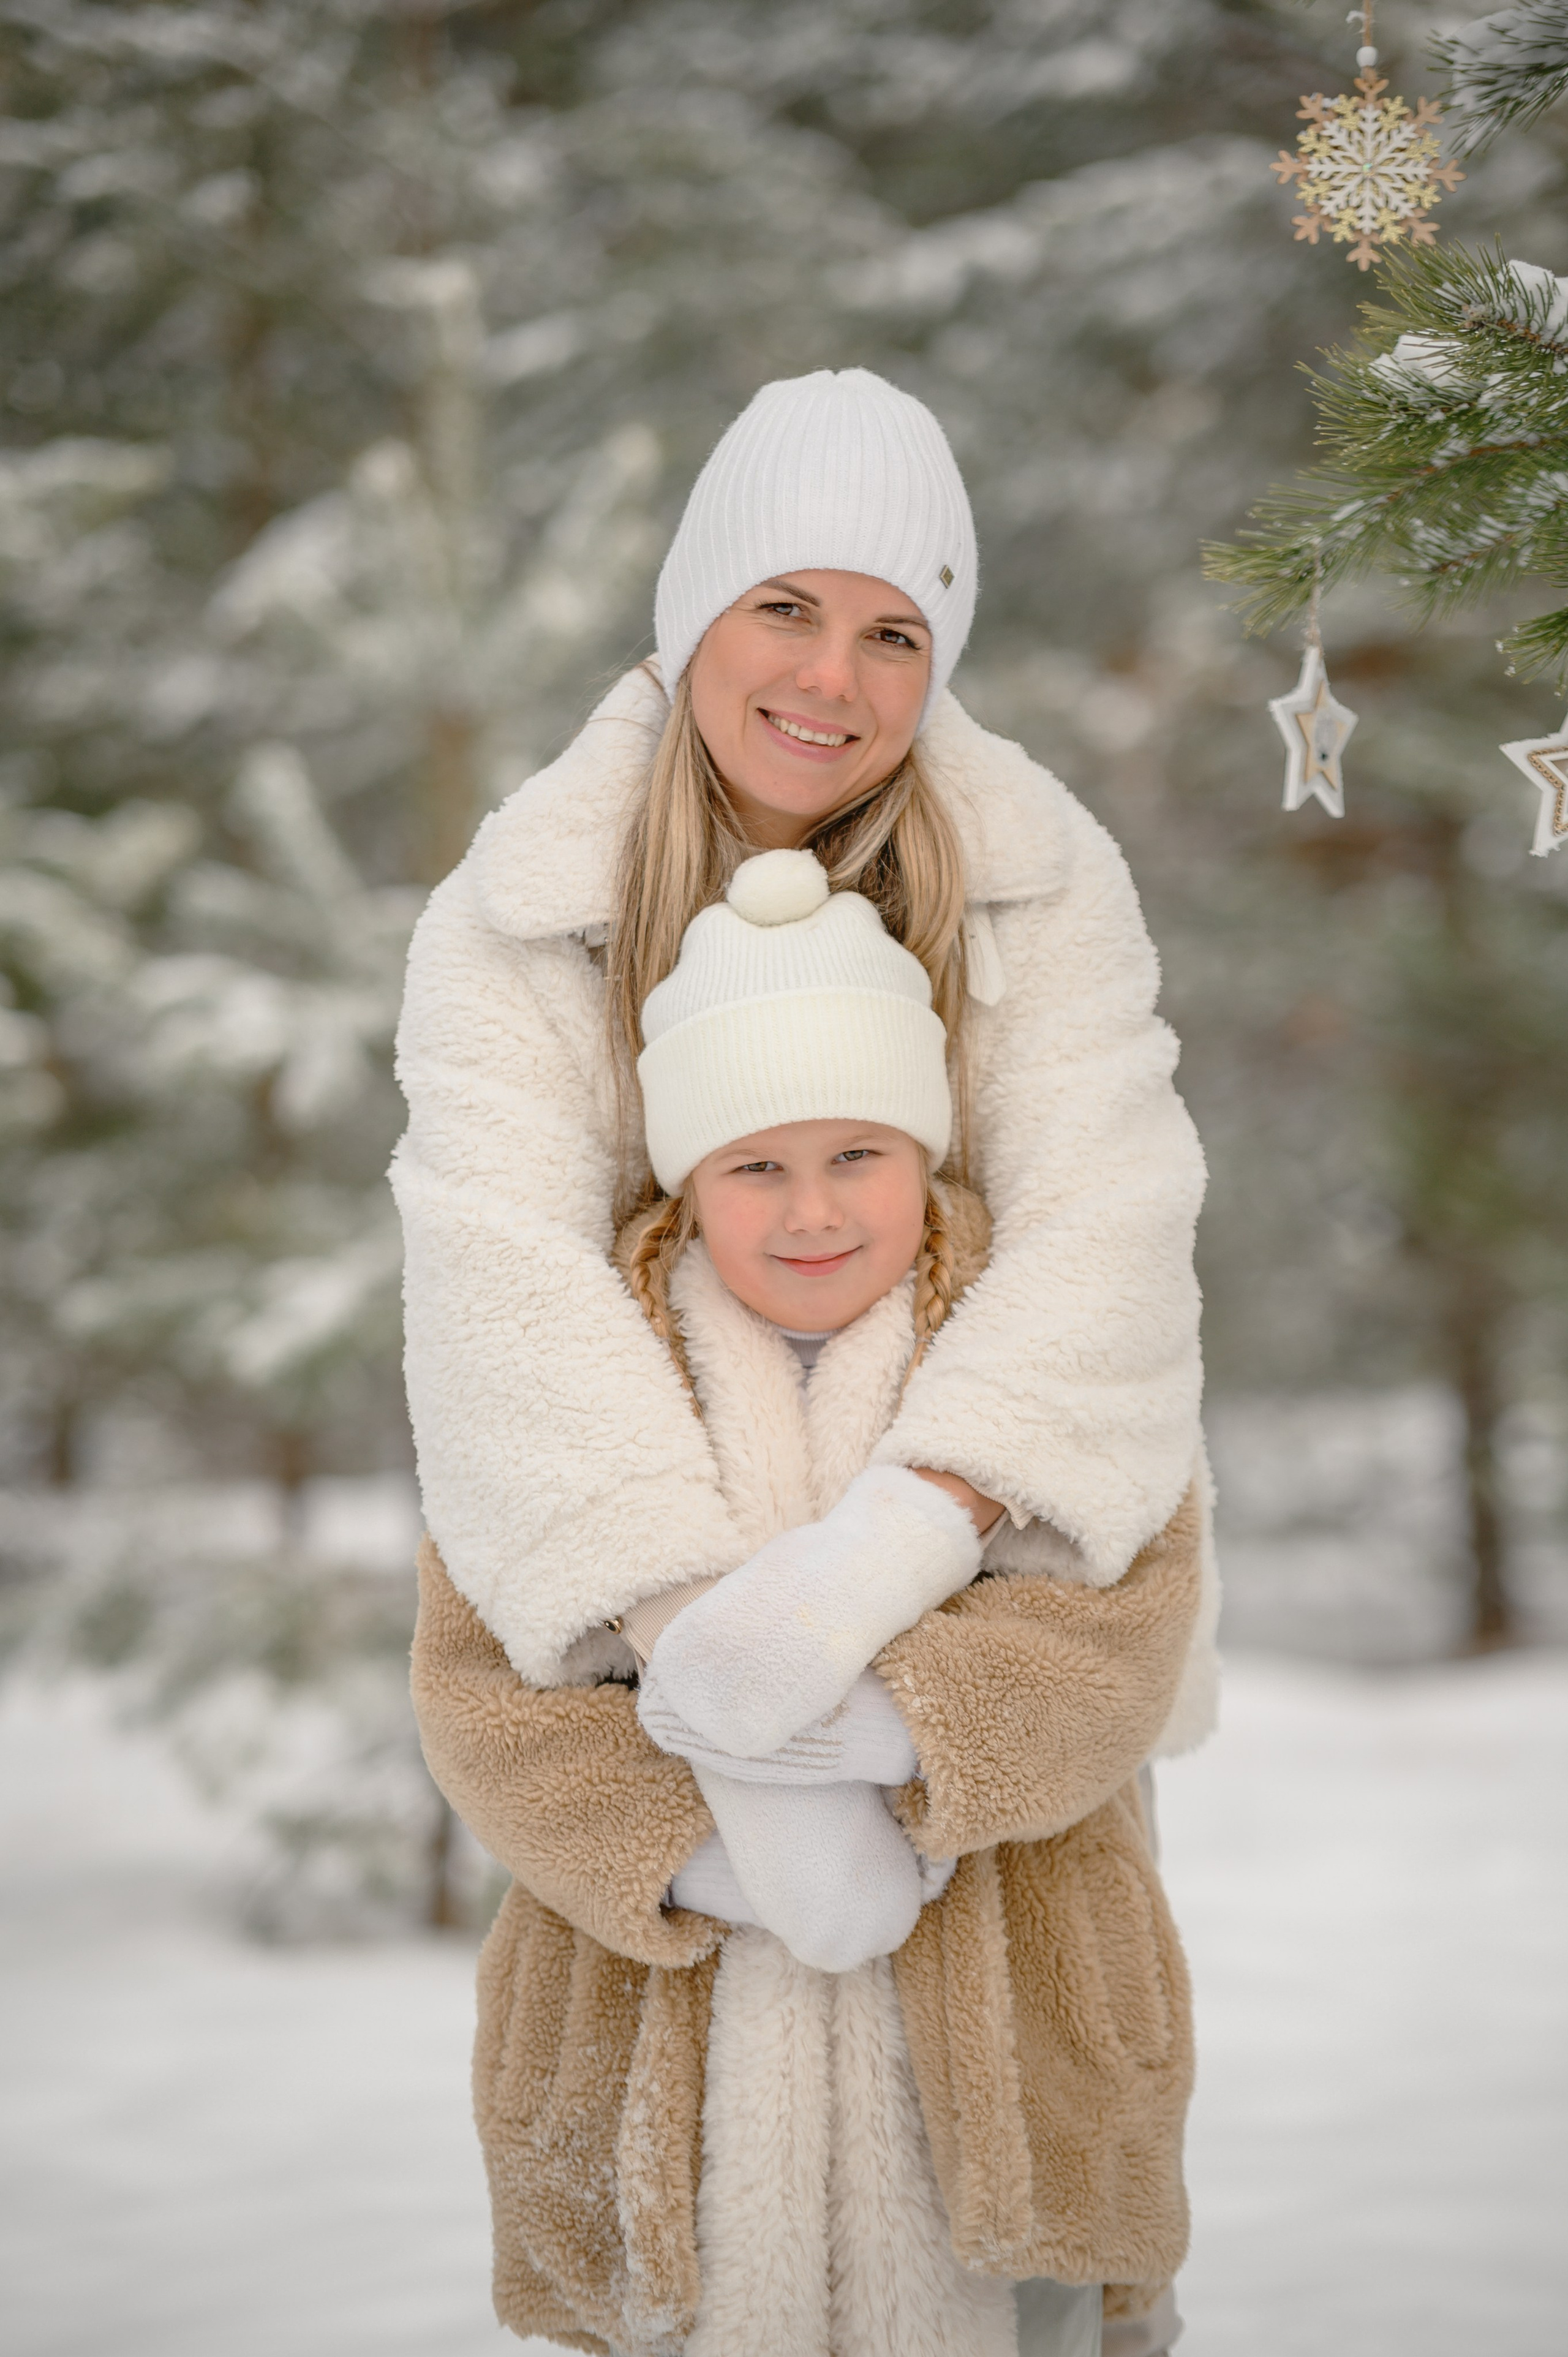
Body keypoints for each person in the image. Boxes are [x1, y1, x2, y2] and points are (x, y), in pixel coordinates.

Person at [394, 368, 1218, 2355]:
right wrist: (728, 1712)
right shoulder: (525, 913)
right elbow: (500, 1282)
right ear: (694, 612)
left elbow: (1110, 1229)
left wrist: (891, 1565)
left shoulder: (1033, 878)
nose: (833, 679)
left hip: (973, 1572)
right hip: (643, 1618)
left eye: (895, 630)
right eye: (785, 607)